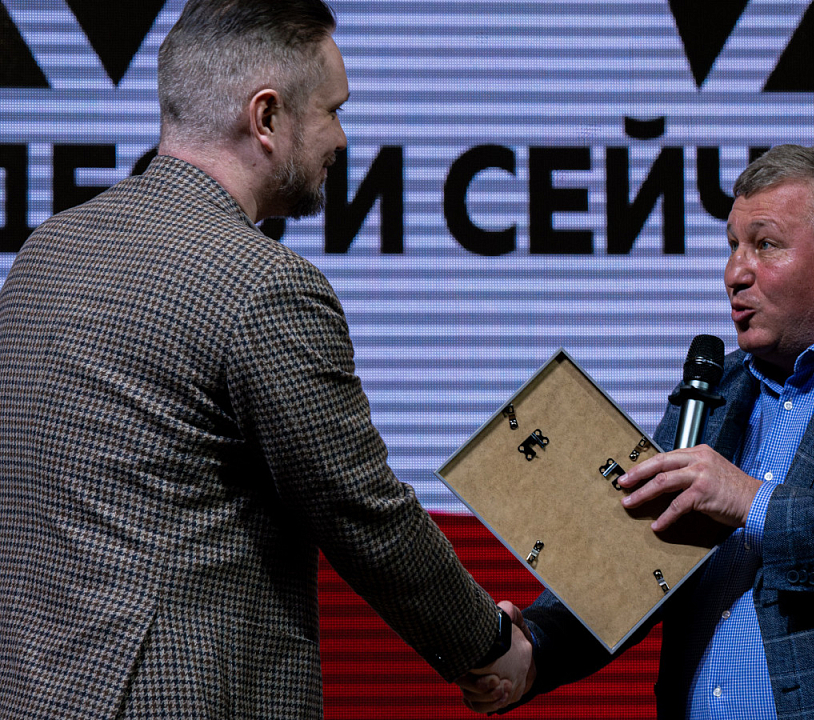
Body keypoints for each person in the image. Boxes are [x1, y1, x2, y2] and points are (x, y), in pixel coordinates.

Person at [0, 1, 529, 717]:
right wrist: (488, 642)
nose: (342, 138)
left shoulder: (46, 251)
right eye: (333, 111)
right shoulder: (262, 285)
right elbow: (359, 508)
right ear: (267, 116)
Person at [459, 145, 814, 718]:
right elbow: (635, 566)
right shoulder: (716, 388)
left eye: (765, 245)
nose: (735, 273)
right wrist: (535, 650)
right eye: (733, 245)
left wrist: (751, 503)